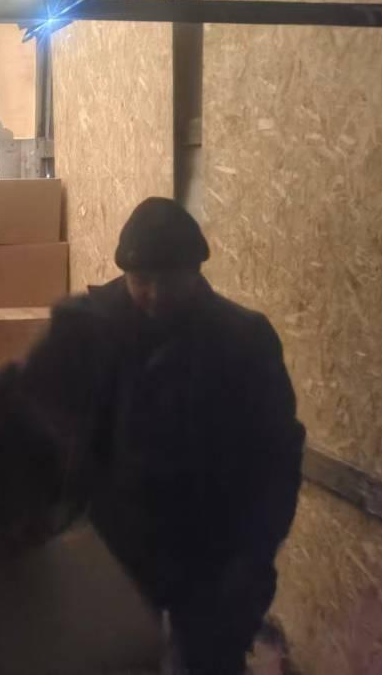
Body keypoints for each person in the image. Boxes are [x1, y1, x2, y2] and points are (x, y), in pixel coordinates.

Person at [20, 197, 305, 675]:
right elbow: (39, 425)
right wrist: (43, 527)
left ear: (195, 272)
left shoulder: (243, 340)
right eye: (141, 280)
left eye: (169, 280)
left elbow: (276, 456)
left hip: (214, 551)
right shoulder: (84, 330)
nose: (154, 294)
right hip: (112, 548)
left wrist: (256, 553)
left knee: (211, 662)